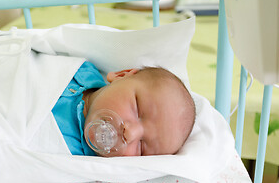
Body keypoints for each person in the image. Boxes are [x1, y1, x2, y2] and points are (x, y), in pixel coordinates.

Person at [53, 61, 196, 157]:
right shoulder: (81, 70)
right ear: (121, 76)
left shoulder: (74, 158)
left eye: (141, 149)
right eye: (137, 110)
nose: (130, 134)